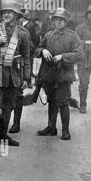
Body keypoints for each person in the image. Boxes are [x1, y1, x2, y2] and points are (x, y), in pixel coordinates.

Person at [0, 1, 31, 147]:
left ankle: (3, 135)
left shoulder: (22, 33)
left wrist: (26, 77)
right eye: (4, 12)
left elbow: (26, 56)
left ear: (16, 15)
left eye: (10, 12)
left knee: (9, 106)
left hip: (13, 75)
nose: (7, 15)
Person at [36, 8, 83, 140]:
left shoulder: (73, 36)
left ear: (66, 22)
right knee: (51, 101)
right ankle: (51, 127)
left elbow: (79, 55)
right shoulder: (48, 35)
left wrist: (63, 56)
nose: (59, 22)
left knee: (63, 102)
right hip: (49, 74)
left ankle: (65, 130)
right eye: (56, 19)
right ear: (53, 21)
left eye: (62, 20)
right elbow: (37, 49)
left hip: (64, 74)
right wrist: (43, 50)